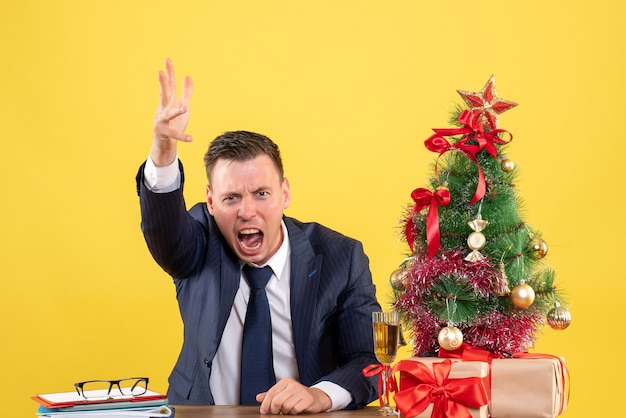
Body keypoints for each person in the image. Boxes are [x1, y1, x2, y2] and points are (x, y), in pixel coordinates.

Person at [136, 59, 381, 414]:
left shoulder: (341, 257)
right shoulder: (200, 240)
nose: (247, 211)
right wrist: (162, 150)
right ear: (210, 202)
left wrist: (321, 395)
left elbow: (369, 362)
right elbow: (167, 235)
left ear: (285, 193)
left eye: (261, 194)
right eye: (231, 198)